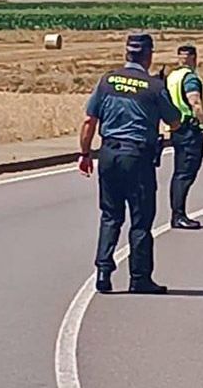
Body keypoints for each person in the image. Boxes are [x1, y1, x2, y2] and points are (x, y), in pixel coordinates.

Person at [78, 33, 182, 295]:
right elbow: (175, 121)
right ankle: (139, 278)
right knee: (140, 219)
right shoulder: (154, 87)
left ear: (127, 54)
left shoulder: (107, 80)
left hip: (108, 154)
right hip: (137, 157)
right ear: (149, 56)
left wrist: (84, 154)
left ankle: (103, 271)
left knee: (111, 215)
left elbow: (89, 120)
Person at [165, 44, 203, 230]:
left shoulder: (172, 76)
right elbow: (195, 102)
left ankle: (177, 214)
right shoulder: (190, 78)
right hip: (190, 130)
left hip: (177, 128)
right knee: (185, 174)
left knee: (179, 173)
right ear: (194, 58)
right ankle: (178, 216)